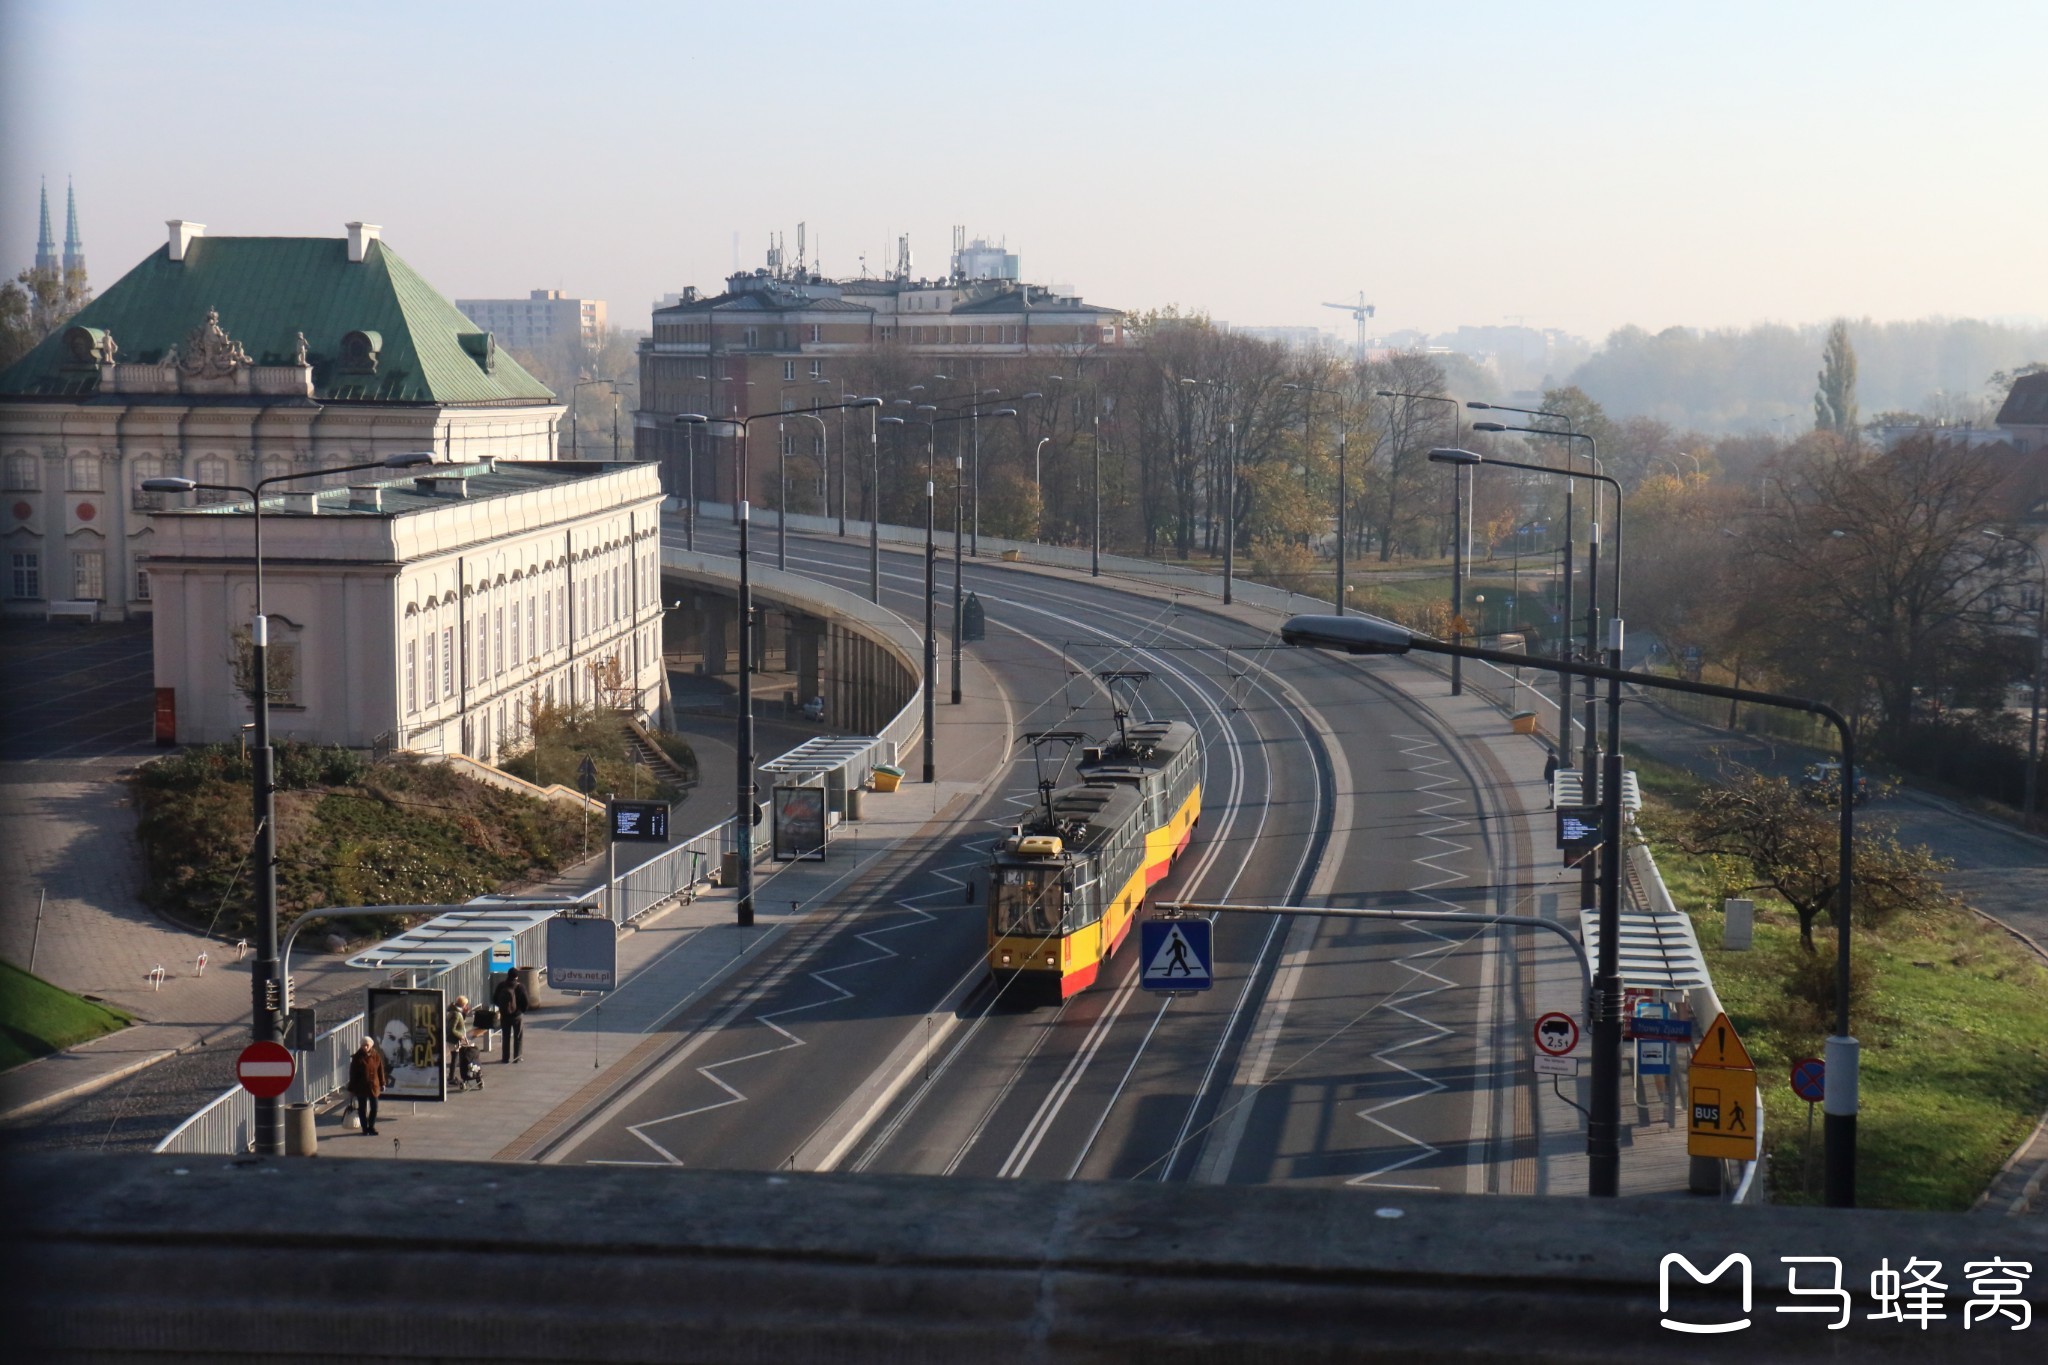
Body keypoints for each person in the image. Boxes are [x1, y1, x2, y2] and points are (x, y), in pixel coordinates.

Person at [347, 1036, 387, 1135]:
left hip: (374, 1086)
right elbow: (353, 1074)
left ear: (371, 1045)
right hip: (361, 1087)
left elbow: (380, 1070)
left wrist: (382, 1083)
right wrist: (351, 1088)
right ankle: (365, 1128)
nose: (365, 1047)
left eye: (367, 1045)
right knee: (362, 1108)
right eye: (363, 1045)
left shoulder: (376, 1055)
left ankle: (371, 1126)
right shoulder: (357, 1057)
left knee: (374, 1107)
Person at [492, 971, 529, 1064]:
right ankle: (517, 1057)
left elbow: (495, 999)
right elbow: (526, 1001)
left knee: (505, 1036)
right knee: (518, 1036)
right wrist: (521, 1011)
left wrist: (503, 1008)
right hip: (517, 1015)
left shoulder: (501, 985)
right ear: (516, 977)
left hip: (504, 1015)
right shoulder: (520, 987)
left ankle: (505, 1058)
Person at [444, 996, 472, 1084]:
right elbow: (452, 1029)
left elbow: (460, 1021)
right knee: (454, 1058)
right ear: (463, 1004)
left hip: (452, 1038)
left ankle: (451, 1076)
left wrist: (465, 1013)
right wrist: (461, 1036)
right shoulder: (456, 1014)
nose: (467, 1006)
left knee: (455, 1058)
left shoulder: (455, 1011)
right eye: (466, 1004)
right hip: (454, 1039)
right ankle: (451, 1077)